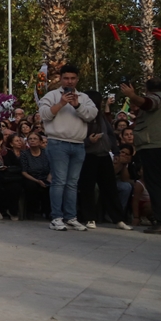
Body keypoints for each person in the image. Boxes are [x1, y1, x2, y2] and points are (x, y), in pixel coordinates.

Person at [38, 64, 97, 232]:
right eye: (66, 78)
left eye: (72, 78)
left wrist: (77, 105)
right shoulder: (51, 95)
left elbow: (92, 115)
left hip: (78, 144)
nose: (69, 81)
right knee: (59, 181)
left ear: (77, 79)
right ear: (61, 79)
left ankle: (71, 217)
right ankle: (56, 218)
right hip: (58, 143)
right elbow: (44, 115)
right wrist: (61, 103)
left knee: (72, 183)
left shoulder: (84, 97)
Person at [118, 78, 161, 234]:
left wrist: (132, 95)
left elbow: (148, 103)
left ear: (147, 89)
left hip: (155, 146)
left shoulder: (157, 98)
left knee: (156, 184)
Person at [74, 91, 128, 230]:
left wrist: (115, 151)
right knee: (88, 188)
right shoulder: (82, 117)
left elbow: (110, 134)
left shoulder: (102, 117)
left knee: (110, 188)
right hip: (89, 155)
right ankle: (89, 217)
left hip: (104, 155)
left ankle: (118, 219)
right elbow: (76, 138)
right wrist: (88, 141)